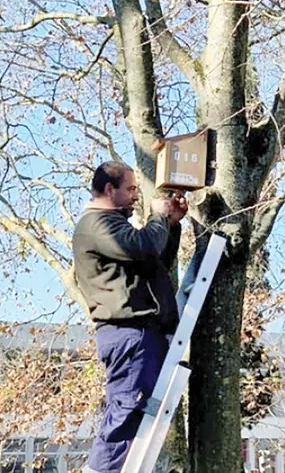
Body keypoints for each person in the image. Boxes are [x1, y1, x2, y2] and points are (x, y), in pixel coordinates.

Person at [72, 161, 187, 473]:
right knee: (125, 415)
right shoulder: (97, 224)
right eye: (132, 189)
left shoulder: (114, 228)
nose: (137, 195)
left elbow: (153, 260)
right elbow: (145, 245)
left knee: (136, 417)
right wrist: (158, 215)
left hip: (139, 333)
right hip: (129, 334)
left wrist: (171, 224)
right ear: (110, 189)